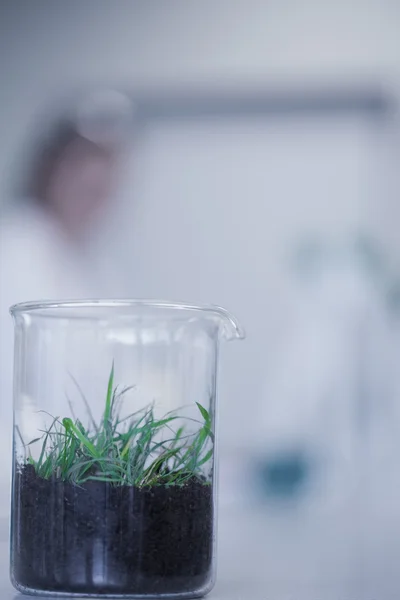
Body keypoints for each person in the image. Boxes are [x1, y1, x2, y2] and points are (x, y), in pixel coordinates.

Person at [0, 106, 129, 493]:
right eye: (81, 165)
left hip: (77, 481)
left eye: (105, 172)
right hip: (22, 475)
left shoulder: (99, 267)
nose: (94, 181)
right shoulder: (14, 248)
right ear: (50, 168)